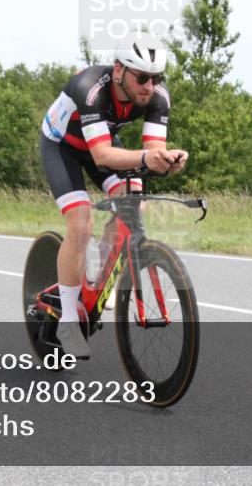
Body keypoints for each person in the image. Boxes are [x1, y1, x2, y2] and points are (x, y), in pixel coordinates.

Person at [40, 37, 188, 358]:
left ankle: (98, 278)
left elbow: (152, 155)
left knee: (135, 204)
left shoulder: (158, 97)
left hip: (101, 142)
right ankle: (67, 321)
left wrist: (169, 162)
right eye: (142, 77)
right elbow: (103, 156)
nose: (150, 86)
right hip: (62, 145)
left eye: (157, 78)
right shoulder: (90, 86)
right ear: (119, 69)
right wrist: (148, 160)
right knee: (80, 223)